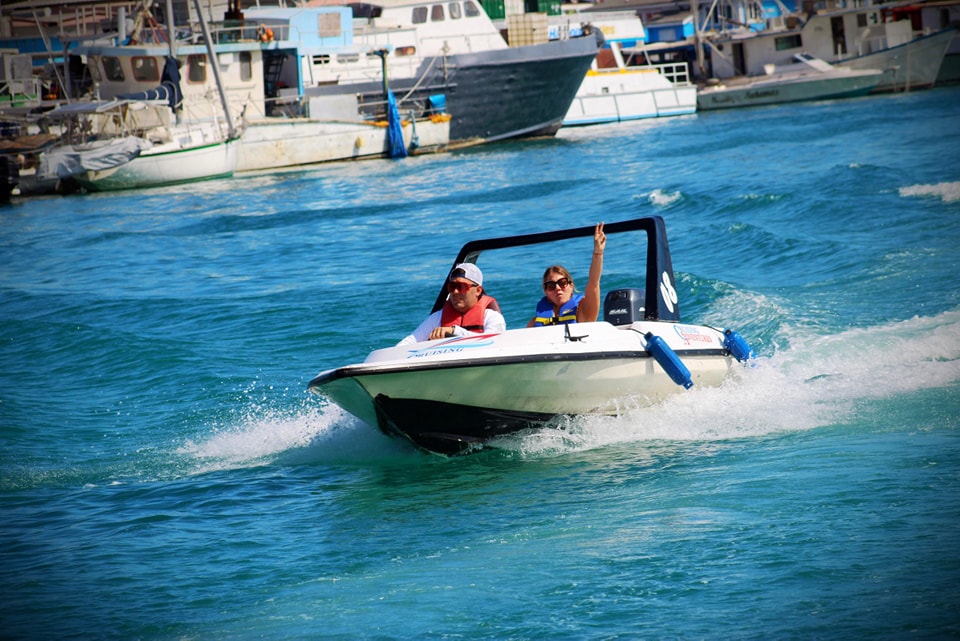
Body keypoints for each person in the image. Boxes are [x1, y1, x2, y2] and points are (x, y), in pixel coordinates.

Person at [398, 263, 506, 345]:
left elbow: (492, 343)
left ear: (478, 290)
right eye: (452, 287)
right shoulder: (437, 318)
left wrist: (455, 331)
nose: (455, 292)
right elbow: (409, 342)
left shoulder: (492, 317)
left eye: (461, 287)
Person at [527, 222, 606, 327]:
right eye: (551, 286)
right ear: (546, 291)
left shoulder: (583, 313)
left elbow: (594, 282)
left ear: (571, 286)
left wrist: (598, 253)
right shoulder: (535, 322)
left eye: (562, 283)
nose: (558, 288)